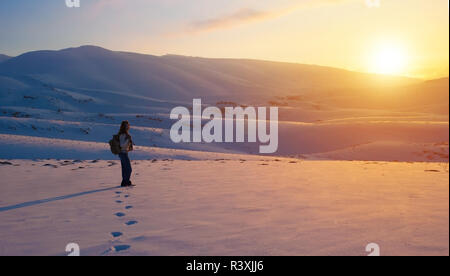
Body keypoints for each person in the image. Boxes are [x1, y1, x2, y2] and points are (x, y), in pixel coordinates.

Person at [117, 121, 134, 187]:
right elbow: (122, 144)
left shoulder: (124, 134)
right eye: (127, 125)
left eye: (128, 125)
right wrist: (128, 139)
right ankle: (126, 182)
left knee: (125, 169)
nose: (128, 126)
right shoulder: (123, 134)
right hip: (123, 153)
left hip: (124, 153)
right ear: (124, 126)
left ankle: (124, 182)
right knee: (129, 169)